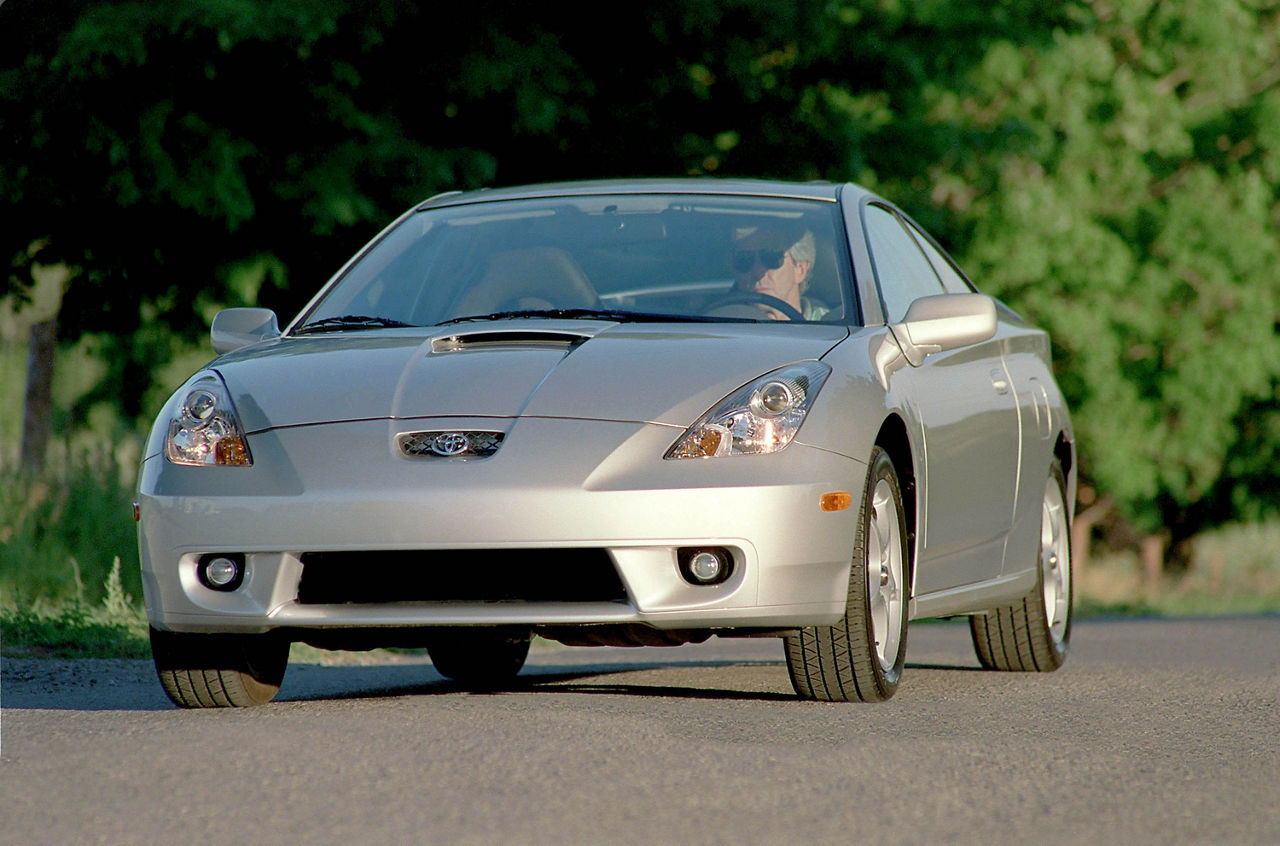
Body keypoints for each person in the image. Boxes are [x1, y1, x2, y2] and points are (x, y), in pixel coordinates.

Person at [730, 225, 829, 320]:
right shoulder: (723, 327)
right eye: (744, 259)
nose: (758, 272)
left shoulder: (832, 328)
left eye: (771, 257)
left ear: (800, 269)